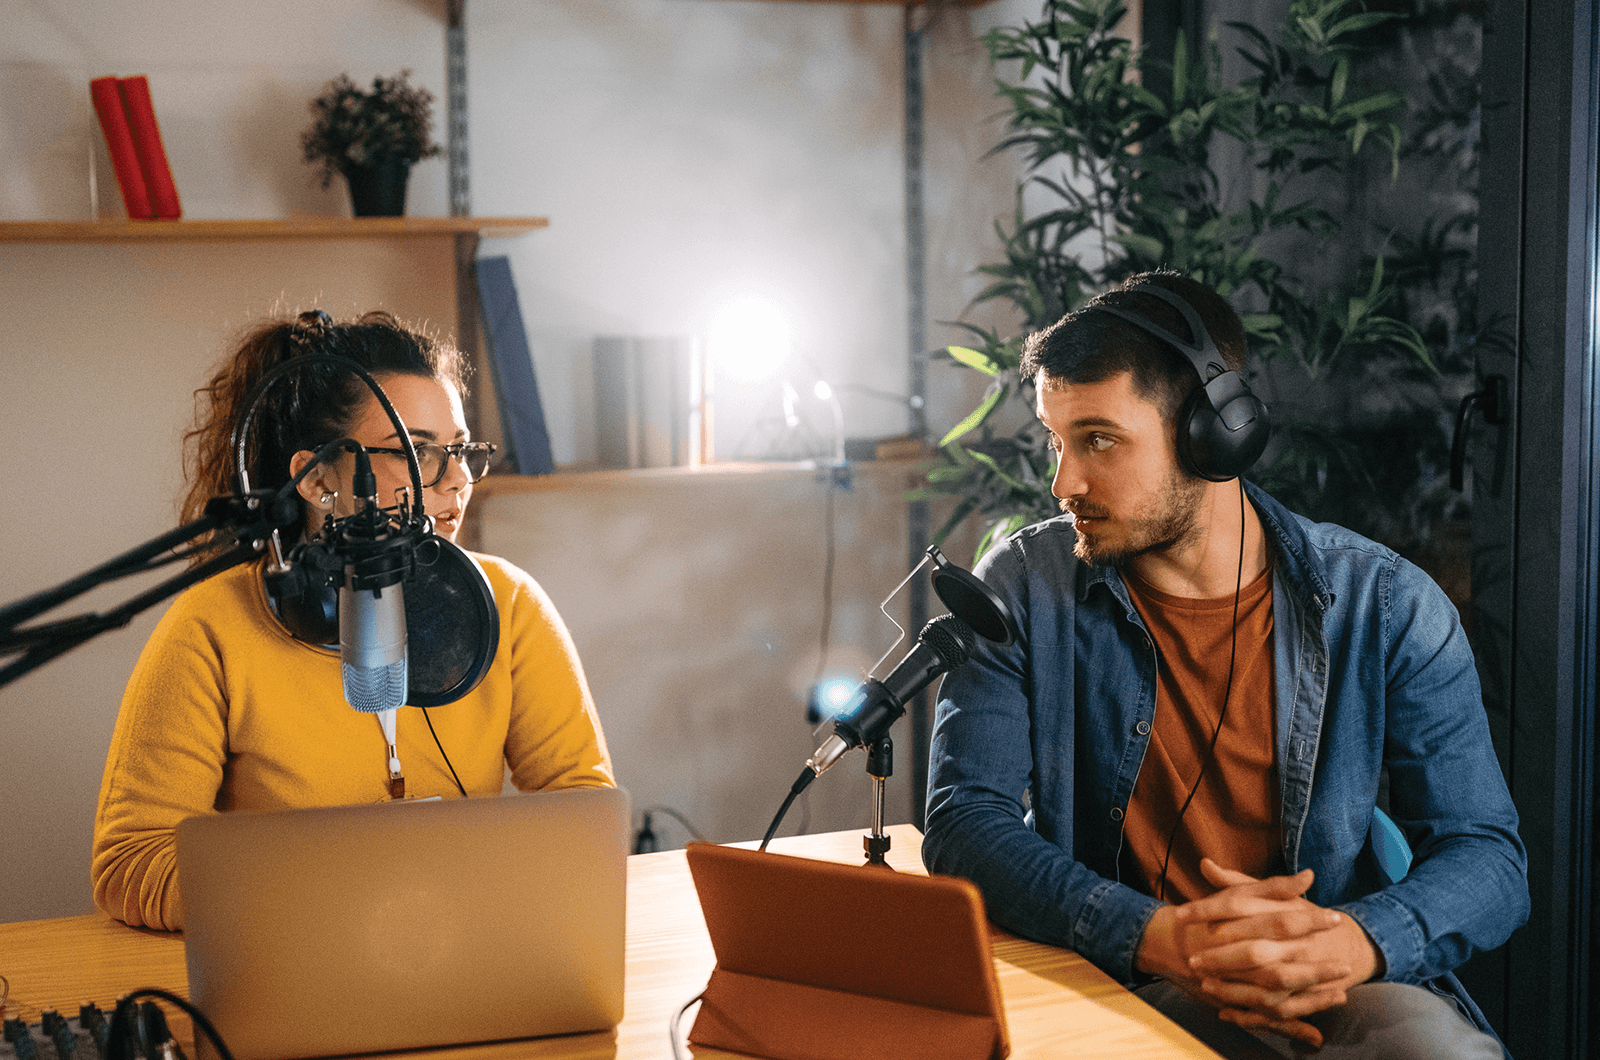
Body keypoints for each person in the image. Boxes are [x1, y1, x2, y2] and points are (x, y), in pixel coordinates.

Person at [923, 271, 1527, 1058]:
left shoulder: (1387, 605)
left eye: (1098, 441)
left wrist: (1353, 941)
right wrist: (1155, 935)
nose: (1062, 481)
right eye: (1057, 439)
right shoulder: (1021, 587)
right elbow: (966, 821)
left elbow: (1488, 855)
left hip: (1332, 983)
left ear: (1216, 433)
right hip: (1121, 973)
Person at [92, 309, 614, 931]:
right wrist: (334, 894)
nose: (458, 481)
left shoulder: (510, 604)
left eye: (461, 450)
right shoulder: (212, 626)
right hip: (288, 960)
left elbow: (586, 815)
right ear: (316, 479)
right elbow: (132, 862)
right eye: (418, 452)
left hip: (461, 949)